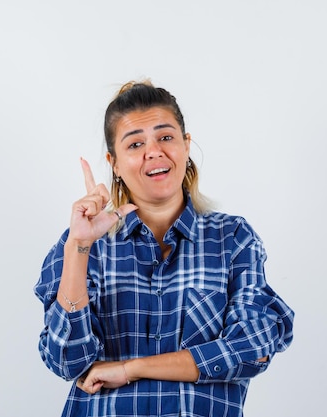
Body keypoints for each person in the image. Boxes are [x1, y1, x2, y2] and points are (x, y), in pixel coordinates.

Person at [34, 80, 295, 417]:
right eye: (135, 143)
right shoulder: (86, 246)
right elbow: (66, 360)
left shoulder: (231, 238)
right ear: (114, 163)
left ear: (186, 146)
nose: (154, 151)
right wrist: (79, 247)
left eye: (166, 137)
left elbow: (252, 348)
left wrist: (131, 368)